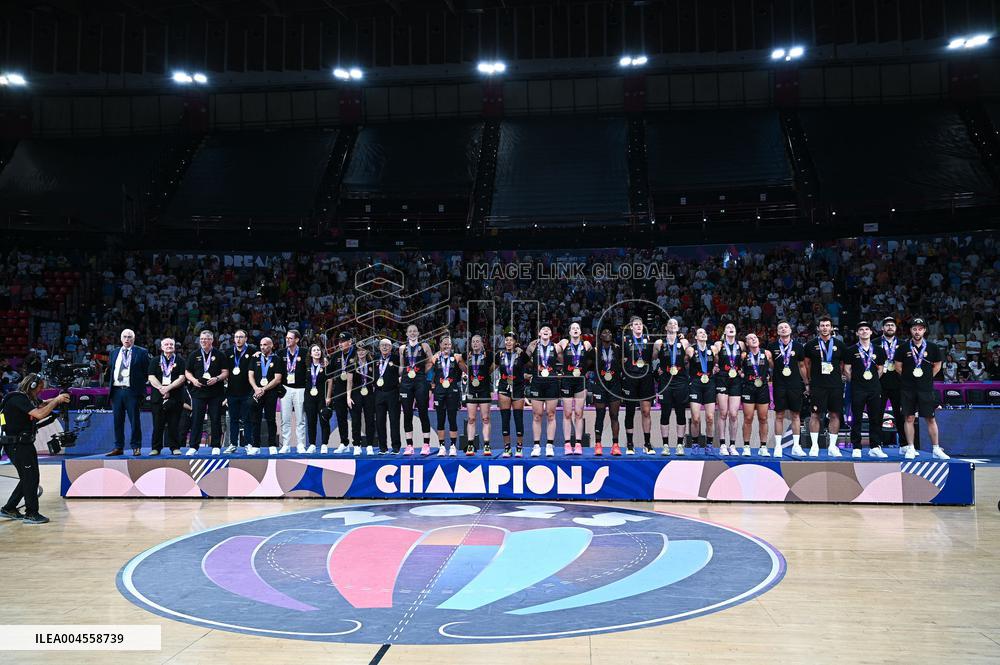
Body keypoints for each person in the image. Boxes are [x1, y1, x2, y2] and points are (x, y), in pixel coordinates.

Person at [0, 374, 71, 524]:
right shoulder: (17, 398)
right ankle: (31, 513)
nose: (41, 390)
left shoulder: (27, 399)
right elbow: (39, 414)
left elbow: (42, 404)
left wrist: (60, 399)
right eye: (40, 387)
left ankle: (9, 508)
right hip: (16, 445)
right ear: (32, 385)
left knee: (30, 477)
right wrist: (57, 401)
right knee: (30, 477)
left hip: (24, 443)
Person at [897, 318, 950, 460]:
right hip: (908, 388)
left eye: (920, 328)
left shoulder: (933, 347)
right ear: (911, 330)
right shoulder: (903, 347)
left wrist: (926, 377)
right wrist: (910, 378)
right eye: (914, 328)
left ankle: (936, 449)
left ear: (924, 330)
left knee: (930, 418)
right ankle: (910, 447)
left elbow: (938, 366)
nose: (917, 331)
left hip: (926, 389)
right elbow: (898, 367)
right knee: (909, 417)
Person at [802, 315, 848, 457]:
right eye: (822, 325)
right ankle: (814, 446)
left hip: (835, 385)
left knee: (835, 415)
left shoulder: (840, 345)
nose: (825, 328)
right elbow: (806, 364)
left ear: (832, 328)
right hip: (817, 385)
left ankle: (832, 447)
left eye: (827, 325)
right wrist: (809, 382)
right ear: (818, 328)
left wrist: (839, 376)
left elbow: (842, 364)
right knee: (815, 414)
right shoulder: (810, 345)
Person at [845, 321, 888, 458]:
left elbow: (881, 369)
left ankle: (875, 446)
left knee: (875, 418)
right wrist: (858, 380)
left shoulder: (879, 350)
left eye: (866, 329)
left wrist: (872, 379)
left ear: (871, 332)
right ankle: (856, 447)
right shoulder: (851, 350)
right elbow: (846, 369)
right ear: (857, 333)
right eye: (861, 329)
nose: (864, 331)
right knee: (856, 418)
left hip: (874, 388)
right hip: (857, 388)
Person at [184, 330, 230, 455]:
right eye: (202, 339)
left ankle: (215, 445)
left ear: (212, 340)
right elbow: (187, 372)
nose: (204, 341)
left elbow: (225, 372)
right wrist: (193, 380)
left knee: (215, 419)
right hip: (198, 392)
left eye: (206, 339)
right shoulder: (194, 355)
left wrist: (217, 378)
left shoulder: (219, 354)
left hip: (216, 392)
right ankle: (193, 446)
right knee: (196, 419)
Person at [105, 328, 149, 456]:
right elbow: (111, 370)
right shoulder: (114, 353)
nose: (127, 339)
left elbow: (146, 372)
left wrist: (138, 385)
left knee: (135, 420)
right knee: (117, 421)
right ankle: (118, 447)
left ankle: (136, 446)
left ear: (133, 339)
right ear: (121, 338)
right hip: (117, 391)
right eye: (125, 336)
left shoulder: (141, 352)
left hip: (132, 391)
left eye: (130, 337)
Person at [877, 317, 918, 452]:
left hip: (899, 384)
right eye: (887, 325)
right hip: (879, 384)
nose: (889, 327)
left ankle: (905, 445)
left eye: (892, 325)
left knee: (901, 415)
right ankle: (876, 444)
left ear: (896, 329)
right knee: (876, 415)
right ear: (882, 328)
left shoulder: (904, 344)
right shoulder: (874, 343)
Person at [769, 321, 806, 457]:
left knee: (796, 415)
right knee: (779, 415)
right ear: (777, 332)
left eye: (786, 327)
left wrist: (806, 382)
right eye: (780, 328)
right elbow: (771, 366)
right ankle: (778, 446)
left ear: (791, 330)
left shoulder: (798, 346)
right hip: (779, 385)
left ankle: (796, 446)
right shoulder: (772, 347)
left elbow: (802, 366)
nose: (783, 329)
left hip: (795, 384)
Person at [620, 316, 655, 455]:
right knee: (630, 411)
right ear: (631, 327)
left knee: (646, 411)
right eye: (636, 324)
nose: (639, 326)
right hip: (630, 378)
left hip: (646, 378)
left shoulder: (649, 340)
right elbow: (621, 359)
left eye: (640, 324)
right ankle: (630, 444)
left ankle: (647, 443)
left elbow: (653, 356)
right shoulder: (625, 341)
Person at [525, 325, 560, 457]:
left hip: (552, 383)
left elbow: (566, 361)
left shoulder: (556, 347)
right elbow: (523, 361)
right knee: (537, 415)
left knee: (551, 415)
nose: (546, 330)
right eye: (543, 329)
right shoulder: (532, 346)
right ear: (539, 333)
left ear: (551, 334)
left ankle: (550, 445)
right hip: (537, 383)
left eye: (548, 329)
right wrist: (533, 370)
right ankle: (536, 446)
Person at [398, 325, 433, 455]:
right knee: (407, 413)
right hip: (406, 382)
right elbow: (402, 366)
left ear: (418, 333)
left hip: (420, 381)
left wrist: (423, 373)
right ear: (407, 334)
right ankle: (409, 445)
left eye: (414, 331)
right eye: (410, 331)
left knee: (423, 411)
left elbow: (431, 361)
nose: (412, 333)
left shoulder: (424, 346)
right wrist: (400, 377)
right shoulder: (402, 348)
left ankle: (426, 444)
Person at [147, 337, 187, 455]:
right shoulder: (154, 361)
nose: (169, 346)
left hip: (175, 395)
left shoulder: (180, 361)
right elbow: (151, 377)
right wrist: (161, 388)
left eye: (171, 344)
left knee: (174, 423)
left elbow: (182, 378)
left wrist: (168, 388)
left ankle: (175, 447)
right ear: (161, 347)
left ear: (174, 347)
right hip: (158, 395)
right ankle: (156, 448)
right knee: (158, 424)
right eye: (166, 344)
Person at [557, 322, 591, 455]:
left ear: (580, 332)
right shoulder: (564, 343)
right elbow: (557, 354)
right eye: (573, 328)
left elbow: (590, 359)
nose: (575, 330)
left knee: (578, 413)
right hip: (567, 380)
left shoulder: (586, 345)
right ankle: (566, 444)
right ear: (569, 332)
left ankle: (578, 443)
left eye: (578, 328)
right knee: (567, 413)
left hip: (580, 381)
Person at [248, 336, 284, 455]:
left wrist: (263, 389)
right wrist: (256, 388)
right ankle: (255, 446)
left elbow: (278, 379)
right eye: (261, 345)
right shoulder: (255, 358)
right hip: (257, 392)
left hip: (271, 393)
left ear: (271, 346)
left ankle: (272, 445)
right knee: (255, 420)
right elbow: (250, 375)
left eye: (265, 345)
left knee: (270, 419)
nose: (263, 347)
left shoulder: (277, 359)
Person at [712, 323, 745, 455]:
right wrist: (714, 365)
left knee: (733, 414)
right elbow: (713, 358)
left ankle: (732, 445)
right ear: (724, 332)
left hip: (736, 379)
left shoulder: (741, 345)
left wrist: (743, 370)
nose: (731, 329)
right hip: (722, 378)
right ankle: (722, 445)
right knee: (723, 413)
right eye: (727, 327)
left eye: (733, 327)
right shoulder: (719, 344)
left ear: (736, 332)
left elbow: (746, 359)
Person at [495, 331, 528, 457]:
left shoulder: (521, 354)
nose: (508, 342)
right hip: (504, 387)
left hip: (518, 387)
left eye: (511, 340)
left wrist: (523, 351)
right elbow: (490, 368)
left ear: (515, 342)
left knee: (518, 418)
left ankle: (519, 447)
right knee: (505, 418)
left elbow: (531, 364)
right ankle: (507, 448)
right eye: (507, 340)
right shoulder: (500, 355)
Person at [739, 333, 772, 456]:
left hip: (762, 388)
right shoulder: (744, 355)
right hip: (748, 388)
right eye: (750, 338)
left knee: (763, 418)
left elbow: (773, 367)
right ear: (746, 343)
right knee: (748, 418)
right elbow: (738, 369)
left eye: (755, 338)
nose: (753, 339)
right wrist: (742, 374)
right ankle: (746, 446)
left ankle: (763, 447)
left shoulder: (767, 353)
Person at [224, 329, 256, 454]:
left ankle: (248, 443)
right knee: (233, 419)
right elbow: (225, 371)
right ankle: (233, 444)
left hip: (247, 392)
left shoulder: (253, 352)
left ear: (246, 338)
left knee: (248, 419)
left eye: (241, 337)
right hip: (232, 392)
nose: (238, 339)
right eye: (236, 337)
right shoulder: (228, 352)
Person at [686, 327, 718, 454]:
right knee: (695, 417)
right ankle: (694, 443)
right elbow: (684, 363)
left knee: (710, 417)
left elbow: (716, 362)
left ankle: (709, 444)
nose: (703, 334)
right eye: (700, 333)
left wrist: (716, 367)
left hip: (709, 383)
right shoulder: (691, 350)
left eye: (705, 332)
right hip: (695, 383)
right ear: (696, 337)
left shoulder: (713, 349)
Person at [593, 326, 623, 456]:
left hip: (614, 385)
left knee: (614, 416)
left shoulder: (617, 349)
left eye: (609, 331)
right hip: (600, 385)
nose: (608, 333)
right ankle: (598, 444)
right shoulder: (595, 350)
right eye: (605, 331)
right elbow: (587, 364)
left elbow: (622, 364)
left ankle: (615, 445)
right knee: (600, 415)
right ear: (600, 336)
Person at [461, 334, 493, 456]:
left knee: (485, 419)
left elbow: (492, 368)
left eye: (477, 341)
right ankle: (470, 445)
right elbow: (460, 363)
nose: (475, 343)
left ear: (482, 343)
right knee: (471, 418)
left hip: (484, 390)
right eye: (473, 341)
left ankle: (486, 445)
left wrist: (485, 376)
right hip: (471, 390)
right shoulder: (466, 356)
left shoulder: (488, 356)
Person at [278, 329, 308, 454]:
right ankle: (286, 444)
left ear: (297, 340)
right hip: (286, 389)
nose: (287, 340)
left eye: (290, 338)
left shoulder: (305, 352)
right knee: (285, 418)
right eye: (286, 338)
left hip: (301, 389)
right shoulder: (280, 353)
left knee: (300, 418)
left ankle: (301, 444)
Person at [373, 337, 402, 454]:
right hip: (378, 393)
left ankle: (396, 447)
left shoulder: (396, 359)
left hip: (393, 393)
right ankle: (382, 448)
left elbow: (402, 371)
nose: (385, 347)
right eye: (382, 345)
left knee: (394, 420)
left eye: (387, 345)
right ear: (379, 347)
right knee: (380, 421)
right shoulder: (375, 359)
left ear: (391, 348)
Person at [346, 342, 376, 455]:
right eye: (359, 350)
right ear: (356, 352)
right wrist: (348, 397)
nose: (361, 352)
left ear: (367, 351)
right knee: (356, 421)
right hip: (356, 394)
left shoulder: (372, 364)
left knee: (370, 421)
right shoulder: (352, 364)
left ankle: (369, 445)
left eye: (363, 350)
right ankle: (356, 445)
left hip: (369, 394)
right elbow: (349, 382)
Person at [329, 331, 356, 453]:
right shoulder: (335, 356)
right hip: (339, 391)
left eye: (343, 341)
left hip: (355, 390)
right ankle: (344, 443)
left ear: (350, 341)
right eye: (339, 342)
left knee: (355, 418)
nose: (340, 344)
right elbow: (328, 372)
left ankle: (357, 444)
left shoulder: (356, 353)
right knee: (341, 418)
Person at [302, 343, 330, 454]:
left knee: (324, 420)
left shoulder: (325, 365)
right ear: (310, 353)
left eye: (318, 350)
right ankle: (312, 444)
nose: (317, 352)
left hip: (322, 397)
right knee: (311, 421)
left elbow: (330, 381)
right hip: (309, 397)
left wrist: (328, 397)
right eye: (314, 350)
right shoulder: (306, 366)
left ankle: (324, 444)